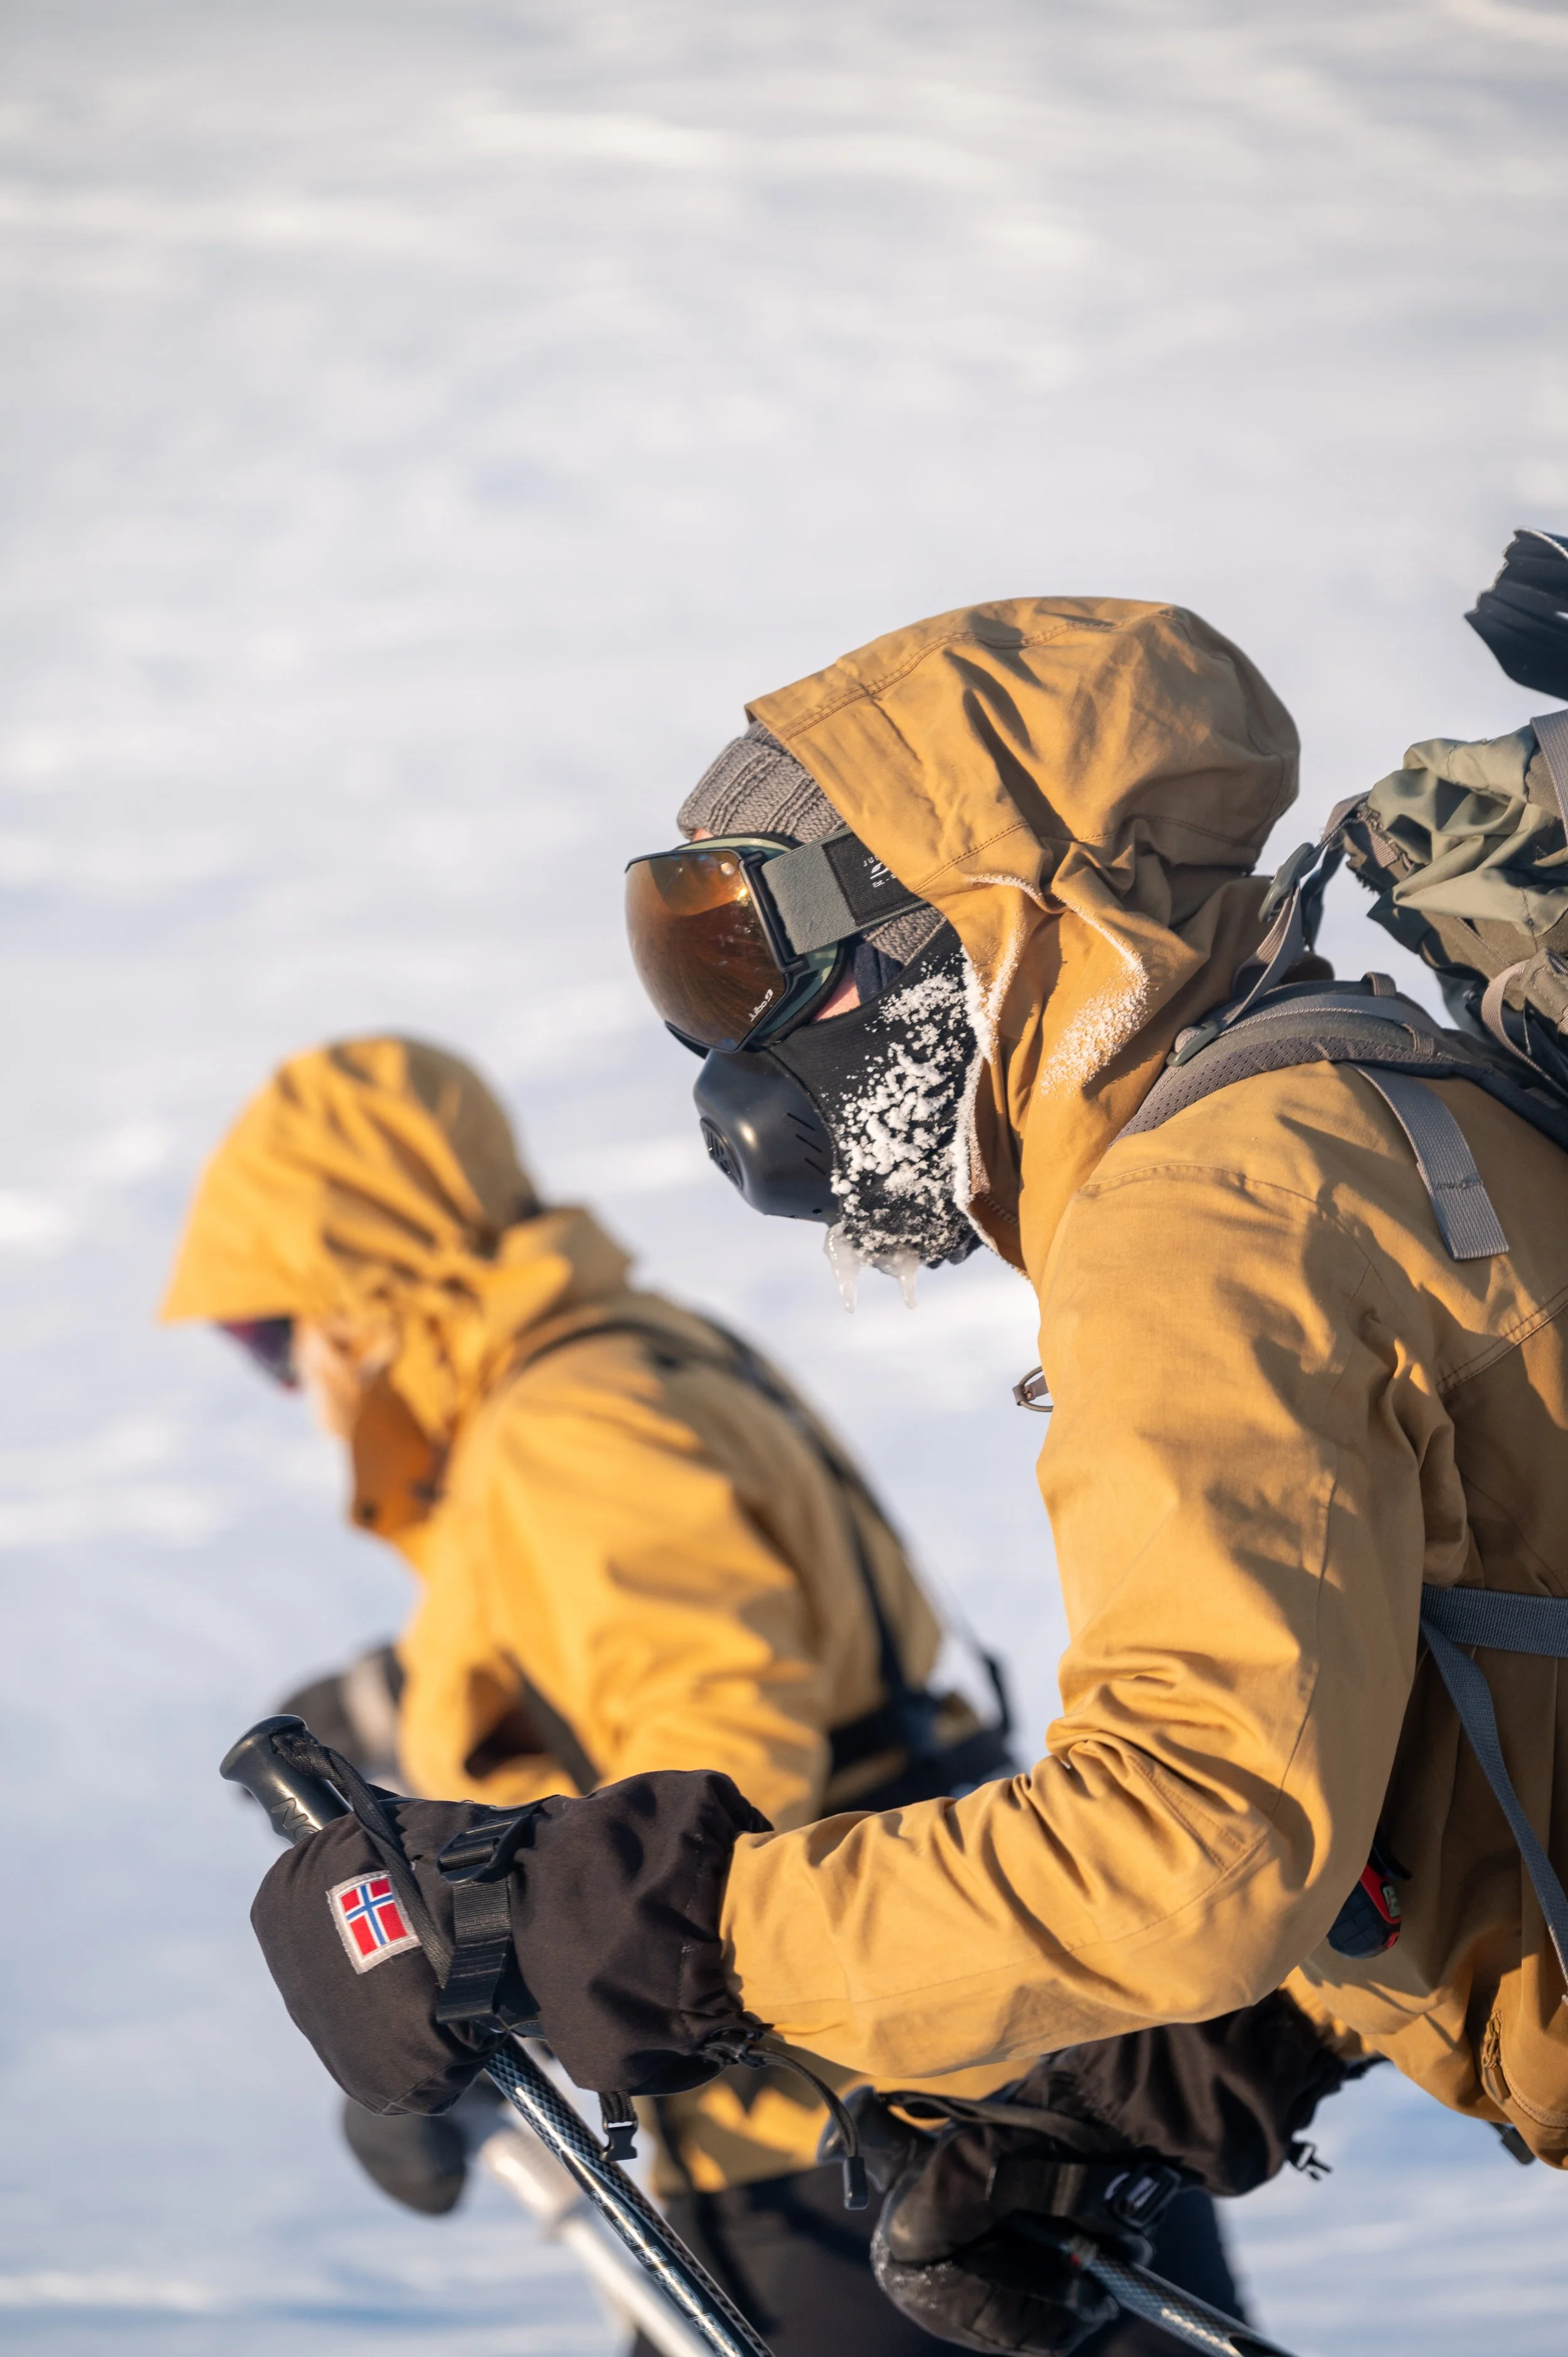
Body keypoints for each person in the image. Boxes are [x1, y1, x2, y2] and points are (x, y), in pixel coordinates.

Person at [248, 580, 1568, 2353]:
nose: (725, 1053)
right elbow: (1469, 1657)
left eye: (743, 964)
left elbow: (1193, 1840)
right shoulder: (1374, 1108)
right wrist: (1190, 2059)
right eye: (685, 969)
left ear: (979, 926)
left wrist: (630, 1931)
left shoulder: (1208, 1214)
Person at [166, 1033, 1042, 2356]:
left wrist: (485, 1972)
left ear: (369, 1286)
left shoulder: (567, 1430)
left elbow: (721, 1772)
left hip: (834, 2139)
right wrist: (406, 1703)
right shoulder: (633, 1354)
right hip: (966, 2080)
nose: (294, 1385)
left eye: (272, 1335)